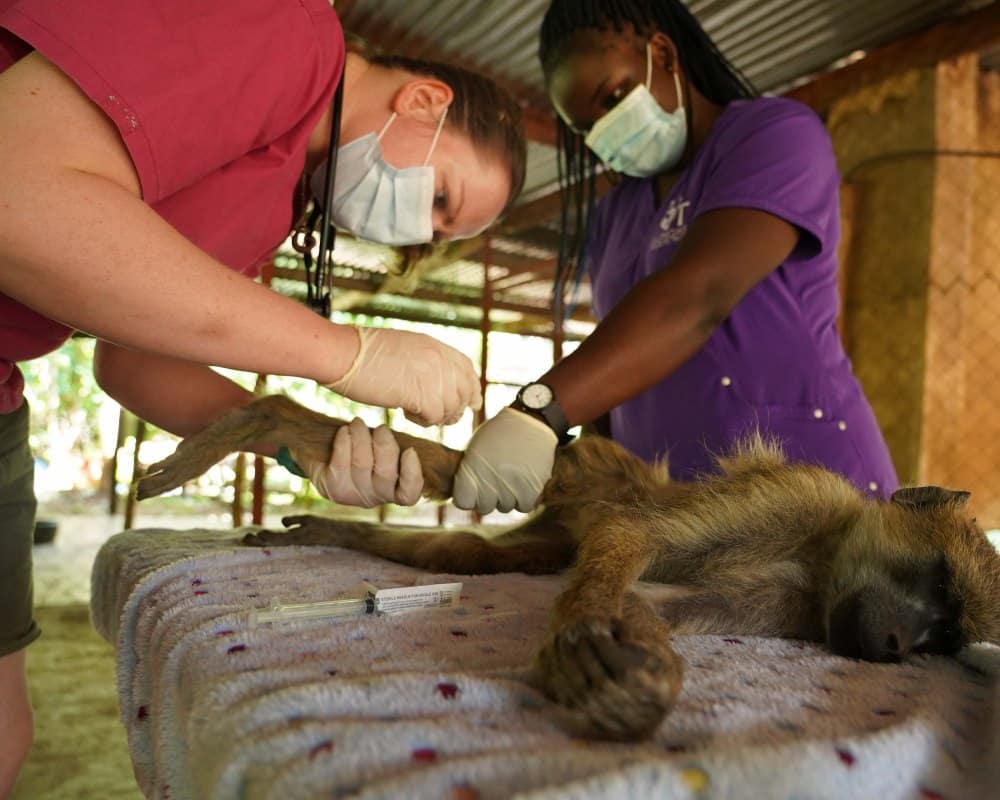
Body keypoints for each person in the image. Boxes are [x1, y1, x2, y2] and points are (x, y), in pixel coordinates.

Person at [0, 0, 526, 791]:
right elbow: (17, 190)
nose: (414, 230)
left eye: (435, 237)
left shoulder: (277, 202)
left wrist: (300, 438)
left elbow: (135, 363)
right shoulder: (284, 30)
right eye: (443, 199)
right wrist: (344, 354)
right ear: (422, 100)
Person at [451, 0, 899, 515]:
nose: (603, 135)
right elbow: (623, 361)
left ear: (662, 54)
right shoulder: (614, 213)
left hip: (817, 497)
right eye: (586, 130)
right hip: (680, 518)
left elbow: (698, 296)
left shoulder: (773, 137)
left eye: (613, 97)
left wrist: (540, 410)